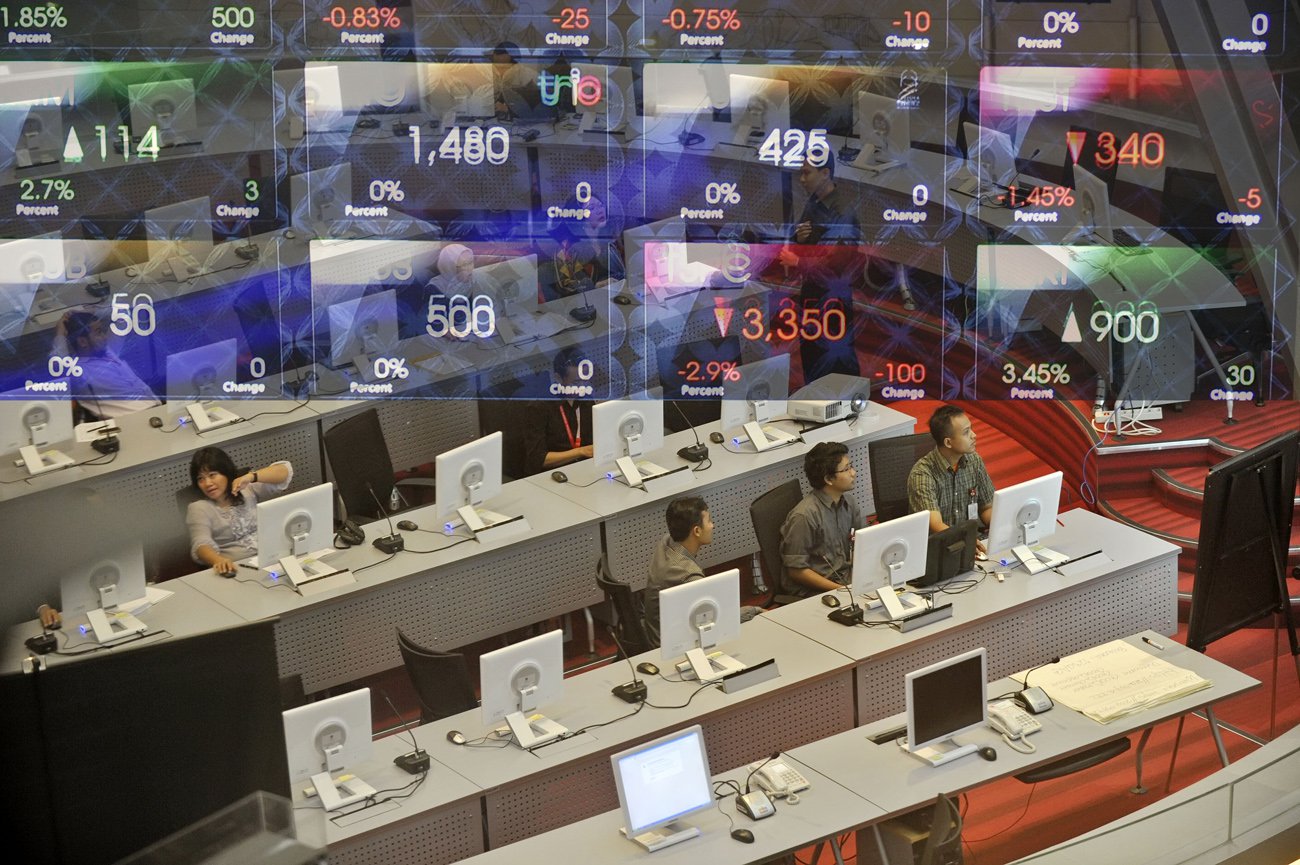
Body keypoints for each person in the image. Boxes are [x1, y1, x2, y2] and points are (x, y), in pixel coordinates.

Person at [644, 497, 760, 644]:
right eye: (709, 521)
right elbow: (714, 621)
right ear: (697, 531)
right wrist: (754, 610)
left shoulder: (666, 542)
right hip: (673, 645)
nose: (712, 526)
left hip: (658, 633)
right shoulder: (688, 575)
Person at [186, 446, 294, 575]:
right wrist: (218, 561)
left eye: (212, 475)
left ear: (226, 473)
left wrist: (251, 477)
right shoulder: (199, 508)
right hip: (239, 568)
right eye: (200, 479)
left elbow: (284, 471)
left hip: (272, 557)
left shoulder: (246, 489)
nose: (207, 483)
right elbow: (201, 544)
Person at [780, 441, 863, 595]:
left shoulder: (849, 503)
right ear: (828, 479)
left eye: (851, 466)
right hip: (819, 590)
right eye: (846, 469)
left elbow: (862, 543)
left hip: (847, 579)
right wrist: (841, 590)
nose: (853, 472)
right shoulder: (804, 516)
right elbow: (796, 571)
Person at [51, 309, 160, 419]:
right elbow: (58, 364)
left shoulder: (107, 350)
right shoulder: (79, 372)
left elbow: (122, 318)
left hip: (155, 411)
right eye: (99, 332)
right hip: (130, 421)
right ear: (83, 342)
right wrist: (60, 333)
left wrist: (93, 310)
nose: (105, 337)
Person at [907, 405, 995, 540]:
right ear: (948, 442)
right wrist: (966, 541)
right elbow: (936, 525)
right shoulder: (922, 474)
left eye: (971, 429)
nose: (974, 435)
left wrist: (1000, 526)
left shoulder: (974, 461)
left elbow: (986, 507)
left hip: (972, 539)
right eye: (966, 432)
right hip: (939, 545)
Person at [520, 346, 594, 474]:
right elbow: (538, 459)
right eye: (576, 383)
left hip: (583, 469)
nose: (582, 388)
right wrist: (581, 451)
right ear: (558, 378)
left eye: (585, 381)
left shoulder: (586, 400)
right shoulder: (539, 407)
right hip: (550, 474)